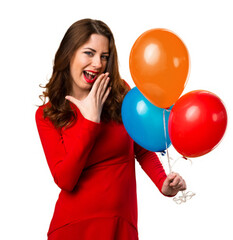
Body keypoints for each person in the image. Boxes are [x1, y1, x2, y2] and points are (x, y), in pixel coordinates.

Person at [36, 18, 187, 239]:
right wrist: (90, 121)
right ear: (68, 55)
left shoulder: (120, 94)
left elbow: (141, 148)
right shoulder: (48, 114)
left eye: (104, 56)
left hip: (120, 226)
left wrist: (162, 182)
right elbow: (65, 180)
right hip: (72, 228)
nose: (98, 63)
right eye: (89, 53)